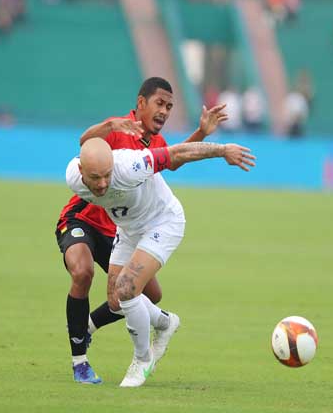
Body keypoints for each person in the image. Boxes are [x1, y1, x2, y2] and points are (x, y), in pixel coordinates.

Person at [55, 77, 228, 384]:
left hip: (121, 226)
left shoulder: (154, 144)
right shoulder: (121, 128)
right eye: (160, 104)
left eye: (170, 107)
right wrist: (110, 128)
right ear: (140, 103)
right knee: (83, 273)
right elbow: (85, 143)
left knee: (145, 294)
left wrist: (202, 133)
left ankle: (150, 324)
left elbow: (172, 160)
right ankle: (81, 359)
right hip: (84, 219)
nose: (164, 111)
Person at [66, 138, 255, 387]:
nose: (102, 184)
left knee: (126, 288)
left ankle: (143, 359)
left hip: (163, 222)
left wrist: (223, 150)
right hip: (129, 229)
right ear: (81, 172)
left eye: (107, 175)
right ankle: (165, 323)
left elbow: (177, 152)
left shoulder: (131, 166)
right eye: (95, 177)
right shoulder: (73, 178)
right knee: (115, 300)